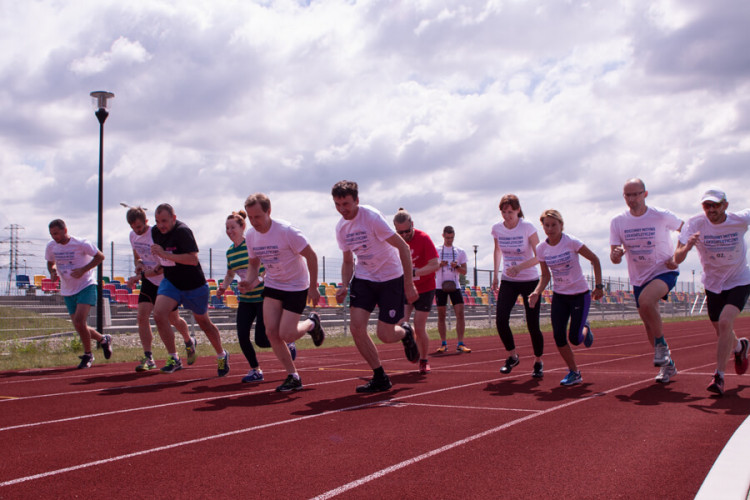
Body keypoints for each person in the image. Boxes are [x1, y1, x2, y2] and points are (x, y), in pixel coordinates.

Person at [332, 180, 420, 393]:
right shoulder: (341, 228)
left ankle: (405, 332)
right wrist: (344, 285)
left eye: (346, 204)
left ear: (357, 201)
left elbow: (404, 248)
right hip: (364, 278)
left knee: (386, 335)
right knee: (356, 327)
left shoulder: (371, 217)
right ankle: (379, 375)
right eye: (337, 204)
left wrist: (408, 284)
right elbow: (346, 261)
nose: (342, 209)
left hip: (390, 277)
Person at [240, 193, 325, 392]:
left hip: (296, 285)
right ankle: (293, 375)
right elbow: (254, 264)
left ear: (269, 211)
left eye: (258, 216)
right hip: (273, 284)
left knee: (286, 334)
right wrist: (249, 280)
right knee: (271, 333)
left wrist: (313, 287)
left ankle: (311, 322)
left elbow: (311, 257)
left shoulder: (287, 231)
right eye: (250, 217)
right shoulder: (251, 236)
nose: (254, 221)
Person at [673, 189, 750, 396]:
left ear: (725, 205)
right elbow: (677, 259)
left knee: (725, 323)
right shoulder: (694, 224)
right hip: (713, 284)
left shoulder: (740, 219)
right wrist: (687, 246)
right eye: (707, 206)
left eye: (715, 205)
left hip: (739, 280)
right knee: (721, 330)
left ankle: (719, 376)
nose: (711, 209)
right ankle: (740, 347)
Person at [610, 178, 683, 384]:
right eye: (628, 195)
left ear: (645, 194)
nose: (632, 199)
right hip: (638, 277)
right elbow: (614, 257)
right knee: (648, 324)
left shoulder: (661, 215)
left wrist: (676, 255)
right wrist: (616, 255)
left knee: (647, 301)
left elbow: (684, 230)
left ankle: (661, 346)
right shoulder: (618, 221)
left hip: (663, 271)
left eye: (636, 194)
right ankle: (668, 367)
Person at [150, 204, 229, 377]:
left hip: (194, 285)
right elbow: (164, 259)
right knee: (158, 314)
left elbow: (193, 260)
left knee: (204, 324)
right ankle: (173, 358)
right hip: (171, 282)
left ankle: (222, 354)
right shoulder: (155, 232)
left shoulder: (183, 232)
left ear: (173, 218)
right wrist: (153, 268)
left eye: (164, 221)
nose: (160, 225)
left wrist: (165, 255)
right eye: (157, 221)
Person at [529, 210, 603, 386]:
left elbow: (595, 259)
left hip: (579, 295)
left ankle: (586, 327)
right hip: (560, 296)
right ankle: (574, 372)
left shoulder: (571, 242)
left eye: (554, 225)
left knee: (575, 339)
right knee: (558, 337)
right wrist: (536, 292)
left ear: (561, 225)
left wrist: (599, 286)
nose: (550, 228)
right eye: (546, 225)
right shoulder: (541, 248)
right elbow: (545, 276)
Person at [124, 207, 196, 372]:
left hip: (166, 281)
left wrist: (141, 276)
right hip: (148, 280)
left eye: (140, 227)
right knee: (142, 316)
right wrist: (139, 264)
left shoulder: (156, 235)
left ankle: (188, 340)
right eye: (134, 227)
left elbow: (164, 264)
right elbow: (137, 256)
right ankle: (149, 357)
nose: (137, 230)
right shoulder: (132, 236)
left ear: (146, 222)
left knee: (173, 320)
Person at [45, 219, 113, 368]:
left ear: (65, 230)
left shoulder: (81, 243)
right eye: (51, 234)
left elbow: (100, 256)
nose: (54, 237)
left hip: (86, 285)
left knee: (79, 321)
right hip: (68, 289)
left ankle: (88, 355)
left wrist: (83, 269)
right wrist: (53, 271)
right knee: (78, 325)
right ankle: (103, 339)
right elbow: (50, 262)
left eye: (56, 233)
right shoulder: (51, 247)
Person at [216, 210, 274, 384]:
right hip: (246, 299)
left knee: (262, 340)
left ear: (242, 227)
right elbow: (230, 273)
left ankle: (286, 343)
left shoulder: (252, 245)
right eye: (227, 228)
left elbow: (266, 269)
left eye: (232, 227)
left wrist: (253, 282)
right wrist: (223, 287)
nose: (229, 231)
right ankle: (255, 369)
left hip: (263, 296)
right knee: (242, 335)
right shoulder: (229, 252)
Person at [491, 194, 545, 378]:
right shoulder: (497, 229)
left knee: (532, 324)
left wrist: (520, 267)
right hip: (508, 280)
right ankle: (512, 356)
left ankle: (538, 361)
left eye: (511, 212)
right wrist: (496, 275)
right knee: (500, 320)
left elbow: (540, 256)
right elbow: (497, 250)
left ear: (518, 210)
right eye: (504, 212)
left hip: (529, 280)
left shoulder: (527, 227)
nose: (507, 216)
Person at [393, 209, 440, 374]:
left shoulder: (424, 239)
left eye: (407, 231)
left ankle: (424, 360)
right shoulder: (394, 241)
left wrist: (414, 272)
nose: (404, 235)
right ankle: (412, 345)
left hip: (425, 288)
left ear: (412, 225)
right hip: (405, 288)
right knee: (401, 323)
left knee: (419, 326)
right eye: (400, 232)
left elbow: (435, 264)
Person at [434, 225, 470, 354]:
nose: (450, 240)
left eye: (452, 238)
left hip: (455, 286)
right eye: (448, 237)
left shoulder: (460, 251)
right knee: (441, 315)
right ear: (443, 236)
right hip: (439, 286)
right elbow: (431, 268)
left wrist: (457, 266)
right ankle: (443, 343)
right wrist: (440, 265)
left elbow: (464, 271)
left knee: (460, 313)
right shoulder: (436, 250)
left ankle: (460, 343)